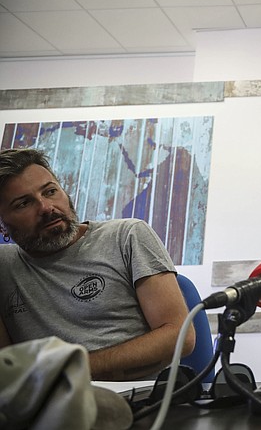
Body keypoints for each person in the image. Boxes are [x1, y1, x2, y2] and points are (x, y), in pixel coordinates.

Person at [0, 148, 195, 380]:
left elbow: (179, 335)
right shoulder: (5, 267)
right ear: (2, 224)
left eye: (50, 191)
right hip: (50, 408)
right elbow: (6, 372)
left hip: (141, 400)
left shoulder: (127, 235)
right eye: (23, 204)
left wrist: (74, 369)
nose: (46, 208)